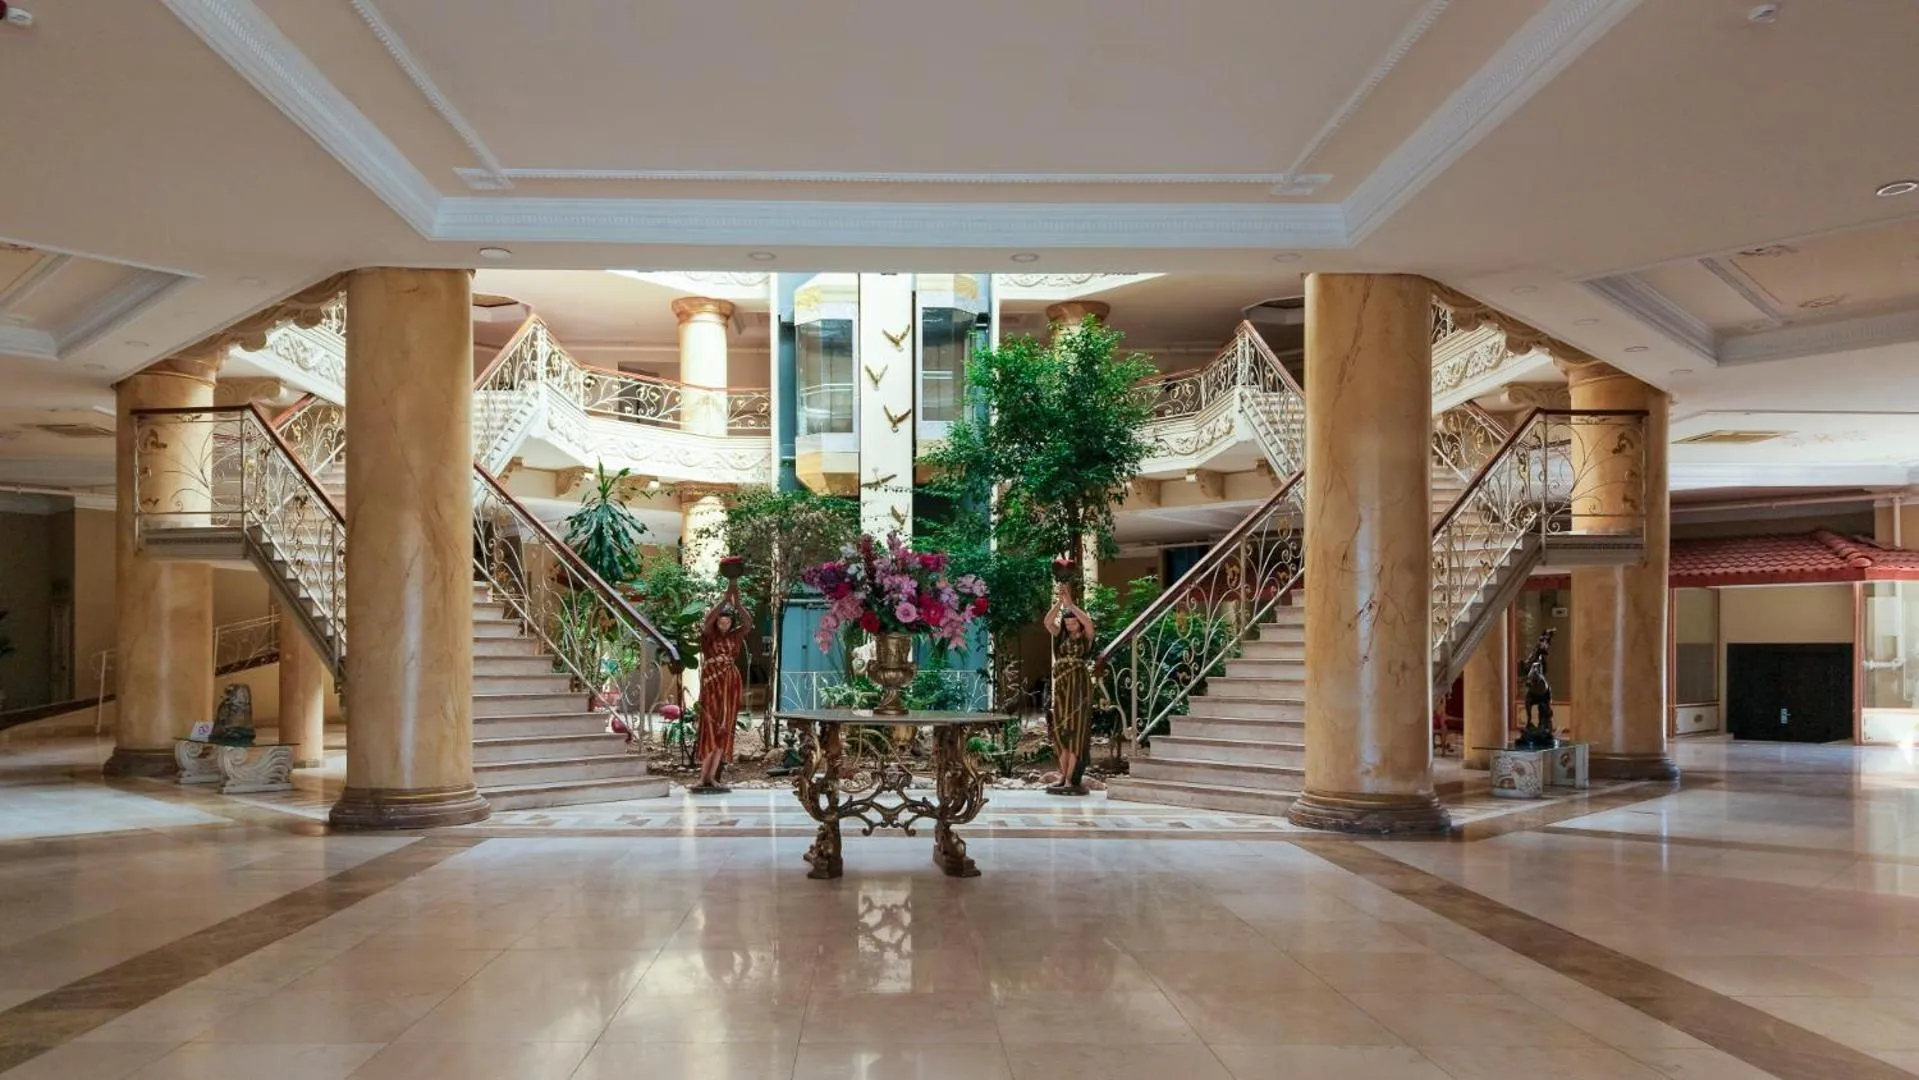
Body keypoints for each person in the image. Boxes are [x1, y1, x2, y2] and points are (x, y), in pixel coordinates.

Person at [692, 582, 749, 793]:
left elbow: (749, 623)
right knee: (709, 727)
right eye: (721, 621)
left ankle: (713, 778)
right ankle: (702, 778)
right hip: (712, 683)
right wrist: (724, 600)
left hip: (730, 684)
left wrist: (738, 604)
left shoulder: (735, 636)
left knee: (724, 728)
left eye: (727, 621)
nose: (724, 624)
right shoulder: (709, 636)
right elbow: (707, 621)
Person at [1044, 576, 1096, 796]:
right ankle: (1063, 776)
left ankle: (1071, 779)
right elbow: (1048, 622)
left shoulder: (1085, 639)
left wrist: (1072, 604)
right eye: (1067, 622)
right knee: (1061, 731)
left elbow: (1089, 623)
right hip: (1063, 686)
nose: (1069, 624)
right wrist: (1059, 602)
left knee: (1076, 731)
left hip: (1079, 687)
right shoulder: (1061, 637)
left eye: (1072, 622)